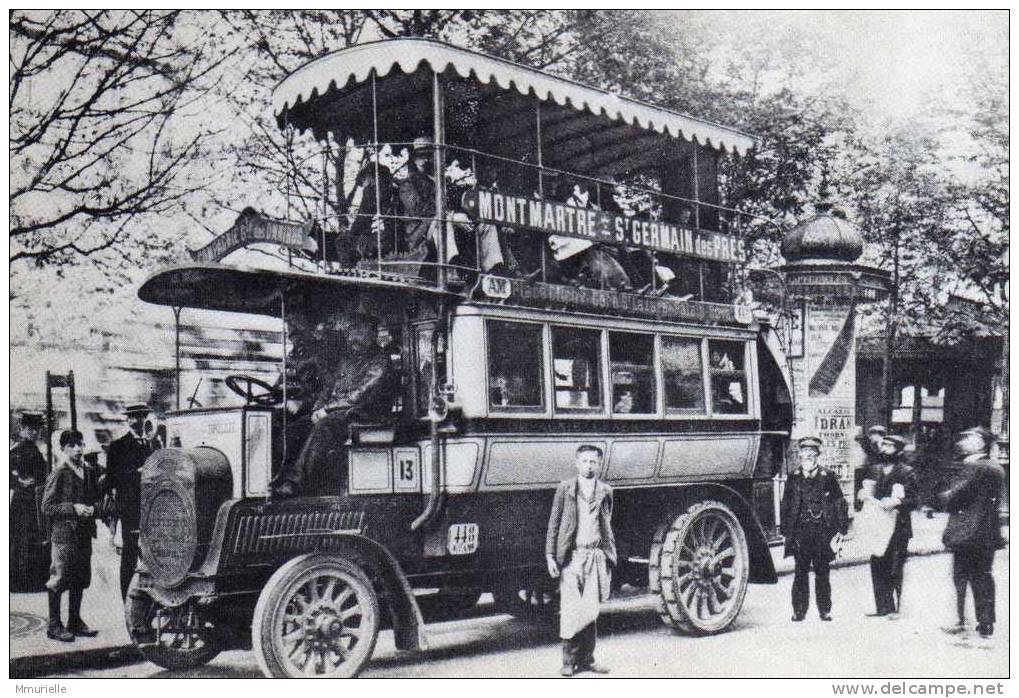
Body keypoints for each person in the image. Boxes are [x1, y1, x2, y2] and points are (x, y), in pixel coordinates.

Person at [272, 313, 399, 497]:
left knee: (325, 426)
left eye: (358, 332)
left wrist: (327, 410)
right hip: (338, 413)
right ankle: (277, 479)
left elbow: (361, 395)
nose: (352, 337)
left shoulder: (380, 362)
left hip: (364, 416)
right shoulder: (348, 361)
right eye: (352, 331)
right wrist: (318, 407)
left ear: (371, 334)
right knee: (294, 429)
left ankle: (295, 483)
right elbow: (329, 387)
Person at [545, 445, 616, 677]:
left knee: (590, 609)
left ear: (599, 464)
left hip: (595, 556)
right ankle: (568, 661)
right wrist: (550, 556)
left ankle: (588, 660)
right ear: (577, 463)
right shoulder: (565, 489)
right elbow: (554, 524)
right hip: (572, 557)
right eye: (584, 461)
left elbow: (606, 524)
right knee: (570, 608)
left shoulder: (606, 491)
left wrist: (606, 554)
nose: (589, 465)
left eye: (593, 462)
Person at [939, 426, 1004, 638]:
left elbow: (955, 496)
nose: (963, 442)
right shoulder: (995, 467)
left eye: (969, 439)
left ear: (980, 443)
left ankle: (959, 619)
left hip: (967, 533)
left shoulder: (974, 467)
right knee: (983, 576)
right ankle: (986, 622)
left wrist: (945, 497)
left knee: (960, 577)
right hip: (988, 533)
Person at [780, 436, 849, 622]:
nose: (808, 455)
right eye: (805, 452)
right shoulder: (793, 477)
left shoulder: (828, 476)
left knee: (822, 572)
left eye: (812, 453)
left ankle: (825, 610)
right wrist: (786, 531)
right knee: (800, 572)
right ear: (800, 455)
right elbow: (786, 504)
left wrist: (841, 529)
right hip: (800, 533)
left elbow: (839, 502)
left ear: (818, 455)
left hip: (822, 532)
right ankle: (799, 610)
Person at [41, 430, 100, 642]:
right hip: (64, 535)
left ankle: (74, 621)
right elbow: (47, 507)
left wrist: (94, 509)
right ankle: (54, 626)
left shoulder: (88, 470)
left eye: (80, 444)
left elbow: (95, 499)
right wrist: (73, 508)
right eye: (72, 445)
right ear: (63, 448)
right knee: (58, 578)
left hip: (84, 534)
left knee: (80, 578)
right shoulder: (59, 472)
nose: (78, 449)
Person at [859, 434, 917, 619]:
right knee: (877, 564)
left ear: (898, 451)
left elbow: (915, 500)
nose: (884, 449)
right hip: (877, 524)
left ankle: (895, 608)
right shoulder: (874, 469)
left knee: (895, 567)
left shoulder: (906, 472)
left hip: (899, 527)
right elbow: (866, 492)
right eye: (883, 445)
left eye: (890, 446)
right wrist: (861, 494)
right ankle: (882, 607)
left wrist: (898, 501)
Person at [103, 403, 155, 600]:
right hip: (130, 509)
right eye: (132, 417)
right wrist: (136, 474)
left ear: (145, 419)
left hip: (149, 507)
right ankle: (127, 598)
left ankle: (147, 594)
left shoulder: (151, 445)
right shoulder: (118, 446)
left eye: (140, 417)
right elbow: (110, 480)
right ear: (128, 420)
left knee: (149, 553)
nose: (136, 421)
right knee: (130, 555)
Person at [10, 412, 49, 591]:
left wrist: (18, 482)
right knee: (25, 538)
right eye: (30, 429)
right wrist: (20, 482)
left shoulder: (28, 451)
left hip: (29, 501)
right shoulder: (18, 451)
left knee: (24, 538)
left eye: (36, 429)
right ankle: (25, 580)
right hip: (26, 501)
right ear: (22, 429)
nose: (34, 432)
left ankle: (20, 579)